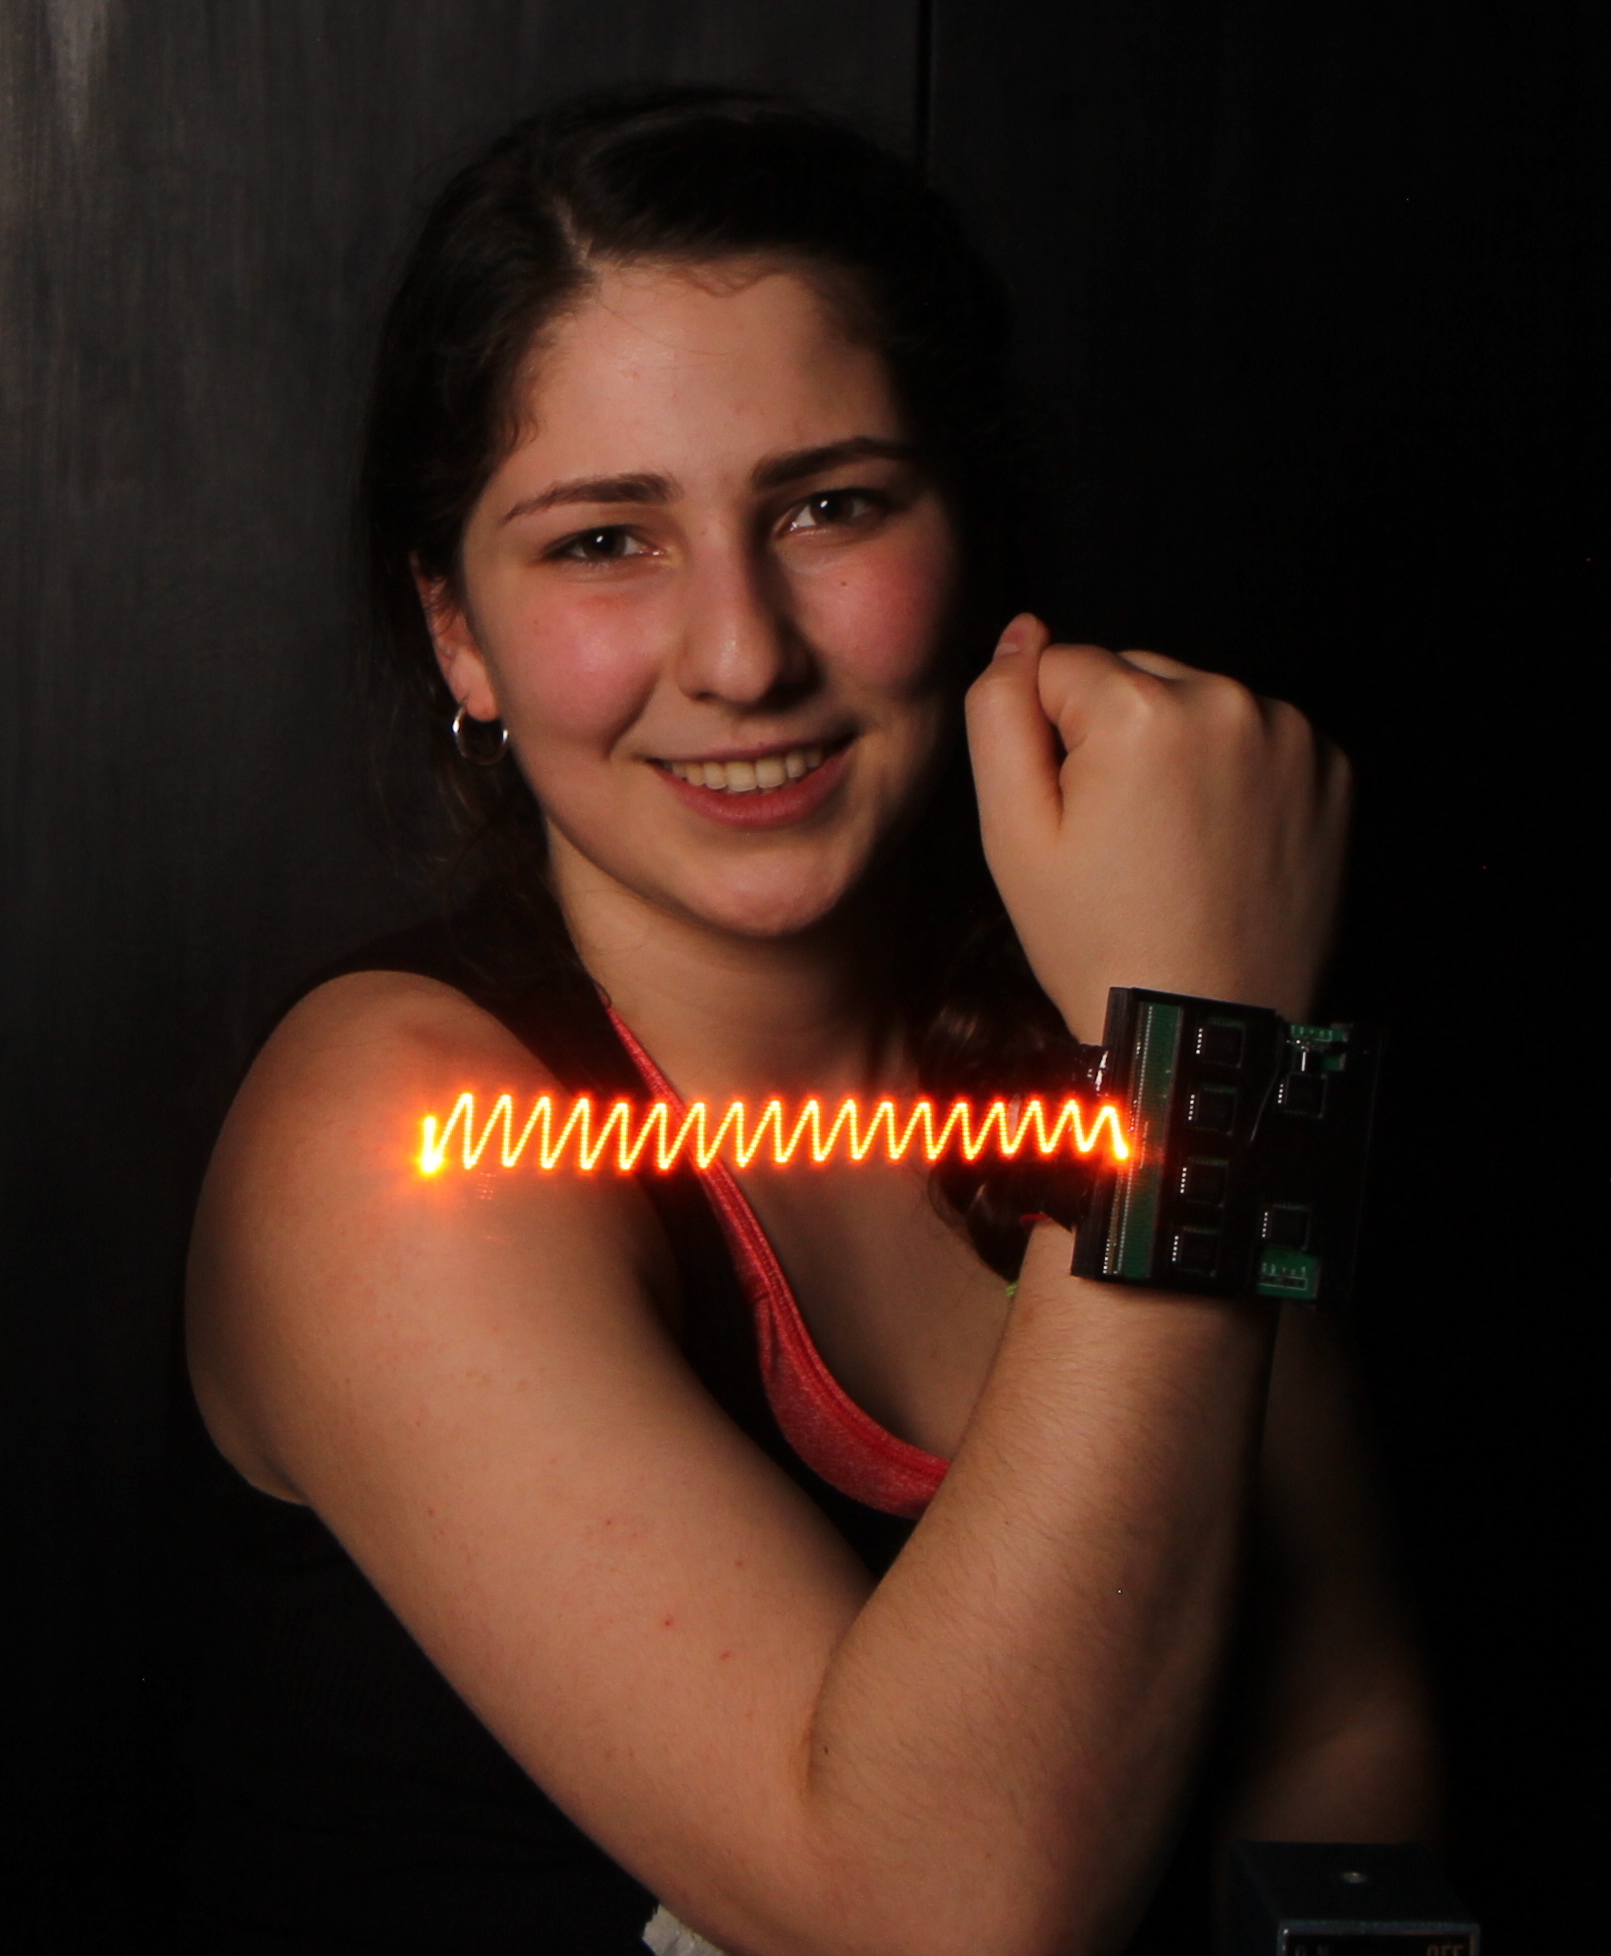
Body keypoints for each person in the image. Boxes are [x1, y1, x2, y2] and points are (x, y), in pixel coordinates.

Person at [175, 88, 1435, 1955]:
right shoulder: (382, 1133)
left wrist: (1178, 1035)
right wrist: (1199, 1055)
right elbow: (935, 1914)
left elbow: (1346, 1747)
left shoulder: (1113, 1011)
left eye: (831, 507)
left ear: (973, 539)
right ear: (458, 633)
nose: (745, 653)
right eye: (604, 542)